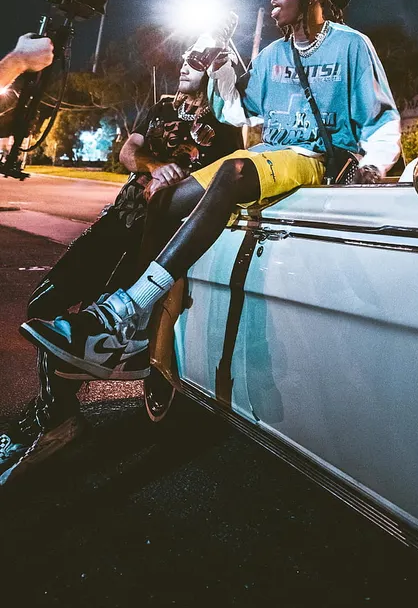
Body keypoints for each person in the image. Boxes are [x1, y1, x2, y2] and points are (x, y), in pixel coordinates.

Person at [21, 0, 401, 381]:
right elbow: (239, 111)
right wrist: (220, 66)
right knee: (163, 198)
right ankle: (139, 328)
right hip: (272, 153)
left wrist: (373, 166)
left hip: (313, 159)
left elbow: (382, 118)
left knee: (233, 170)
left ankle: (123, 311)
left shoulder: (351, 44)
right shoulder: (274, 53)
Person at [0, 52, 240, 485]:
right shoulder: (163, 106)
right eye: (186, 55)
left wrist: (180, 180)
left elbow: (221, 186)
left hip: (156, 236)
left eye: (199, 58)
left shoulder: (226, 124)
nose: (186, 62)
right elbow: (129, 150)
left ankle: (55, 422)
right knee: (43, 303)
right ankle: (56, 413)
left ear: (216, 69)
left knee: (91, 323)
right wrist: (155, 166)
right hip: (118, 219)